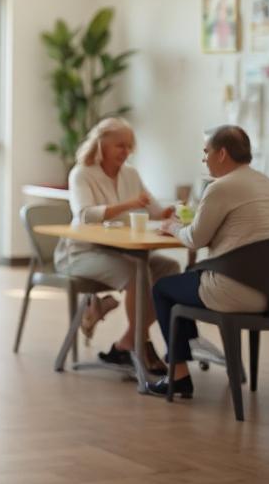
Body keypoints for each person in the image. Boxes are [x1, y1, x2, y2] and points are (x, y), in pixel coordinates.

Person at [148, 125, 269, 398]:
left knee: (163, 289)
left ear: (222, 153)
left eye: (206, 152)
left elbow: (195, 239)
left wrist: (170, 227)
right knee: (188, 277)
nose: (204, 159)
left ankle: (178, 376)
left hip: (235, 292)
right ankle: (189, 352)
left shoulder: (220, 187)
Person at [57, 117, 179, 375]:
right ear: (101, 145)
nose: (125, 152)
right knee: (137, 273)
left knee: (170, 268)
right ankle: (140, 345)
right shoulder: (82, 174)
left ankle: (127, 343)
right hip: (82, 253)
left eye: (129, 146)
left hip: (122, 252)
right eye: (119, 146)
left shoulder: (130, 174)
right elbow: (85, 214)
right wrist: (130, 204)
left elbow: (155, 210)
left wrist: (173, 212)